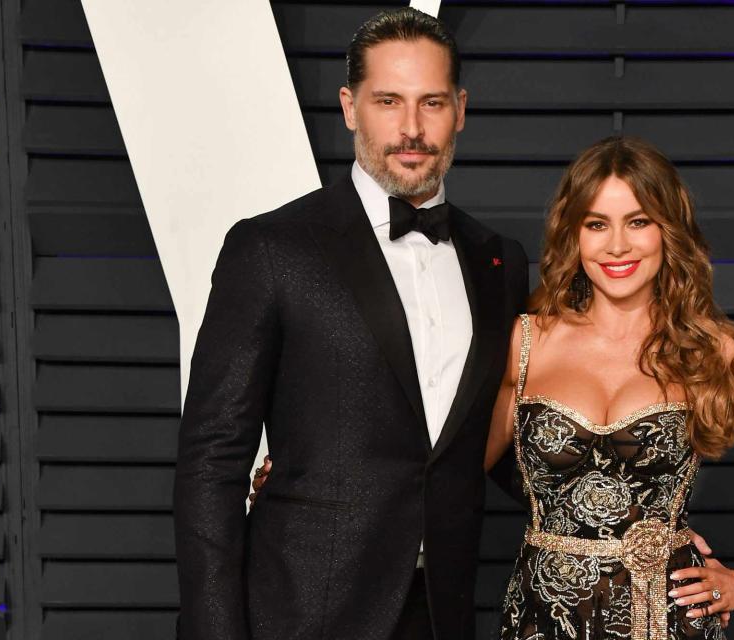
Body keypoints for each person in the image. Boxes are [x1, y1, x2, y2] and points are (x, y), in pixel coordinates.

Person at [172, 9, 531, 640]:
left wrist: (638, 515)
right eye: (388, 101)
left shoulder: (499, 260)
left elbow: (490, 440)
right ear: (349, 106)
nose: (412, 128)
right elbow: (211, 462)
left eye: (433, 103)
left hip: (443, 613)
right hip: (301, 613)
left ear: (461, 110)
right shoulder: (272, 248)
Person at [480, 137, 734, 639]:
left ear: (668, 231)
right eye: (597, 224)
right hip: (541, 618)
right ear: (574, 235)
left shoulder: (715, 349)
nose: (617, 245)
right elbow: (456, 475)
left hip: (669, 620)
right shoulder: (524, 343)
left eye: (638, 222)